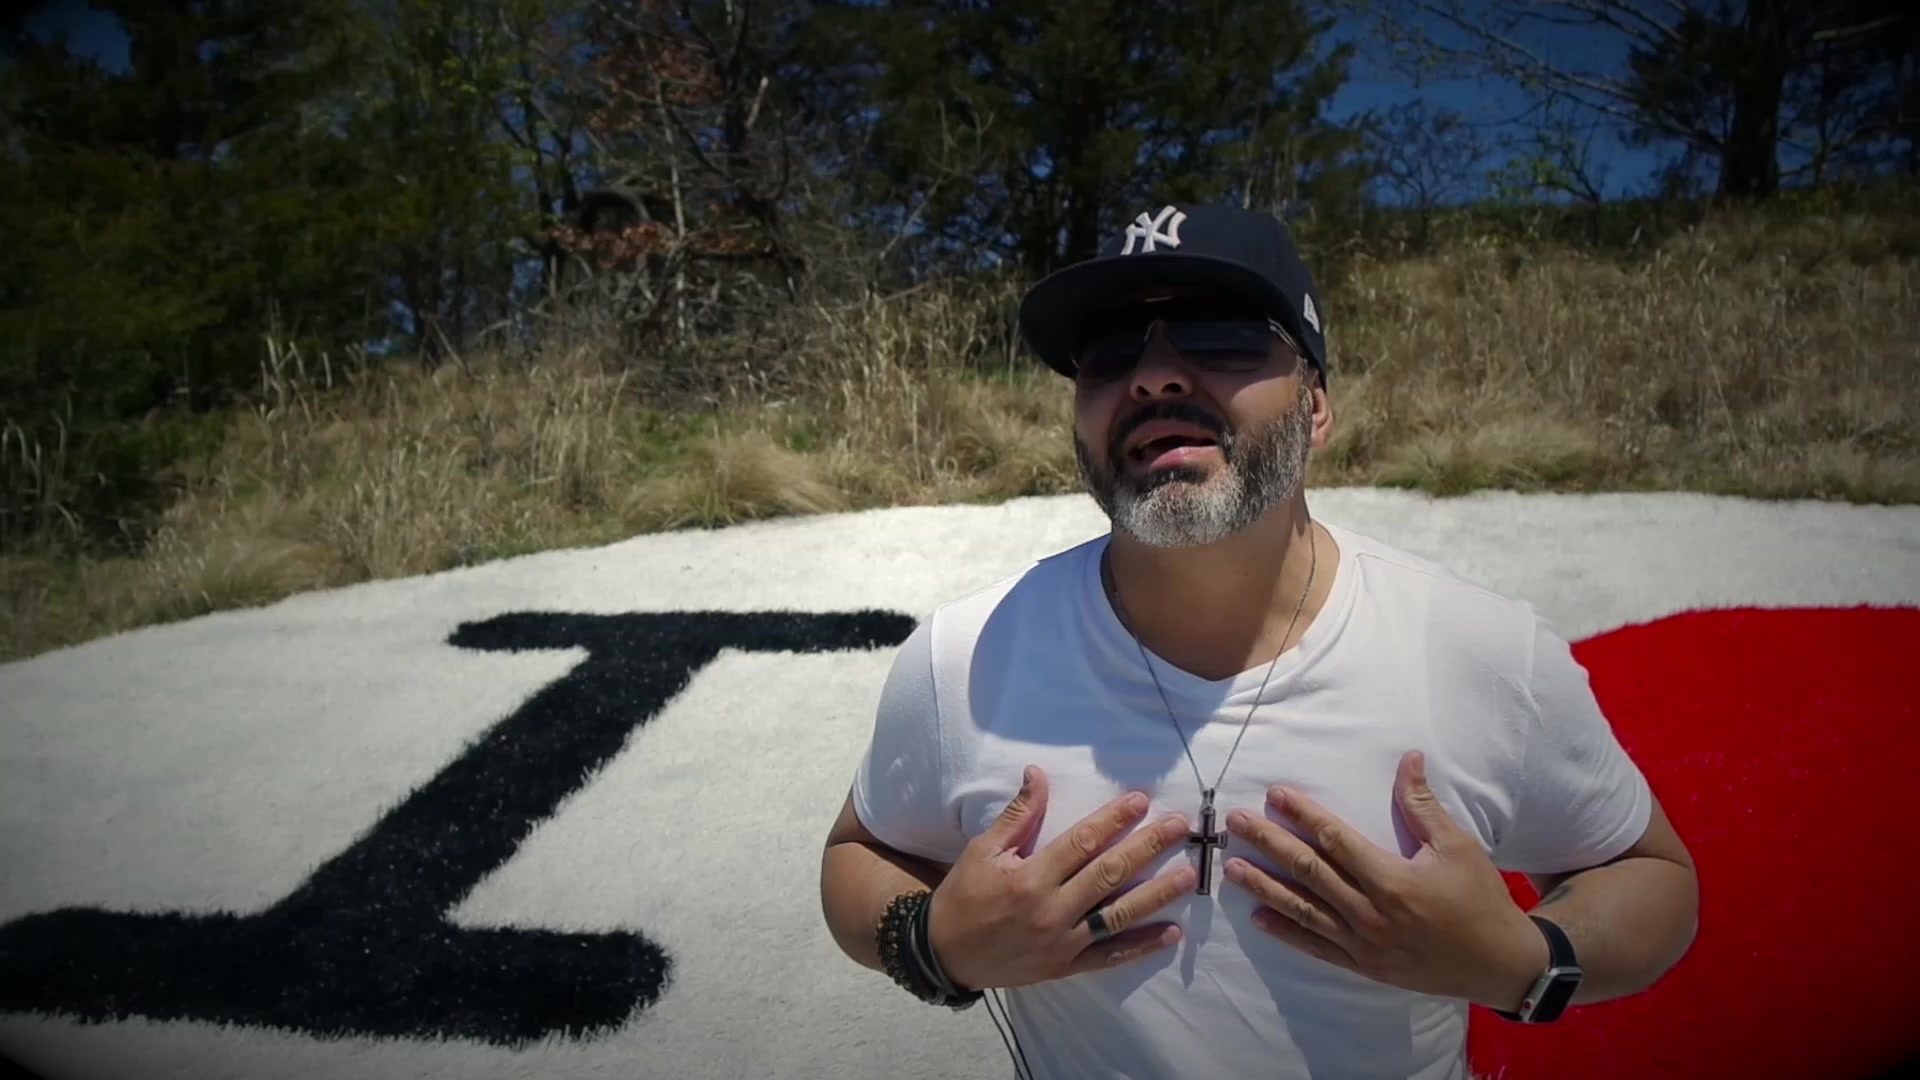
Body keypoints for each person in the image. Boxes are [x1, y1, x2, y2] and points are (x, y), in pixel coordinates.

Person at [817, 203, 1699, 1079]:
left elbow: (1652, 877)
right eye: (1109, 353)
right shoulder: (966, 656)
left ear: (1315, 406)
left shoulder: (1483, 652)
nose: (1153, 377)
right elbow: (862, 853)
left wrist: (1524, 964)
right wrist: (930, 944)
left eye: (1219, 334)